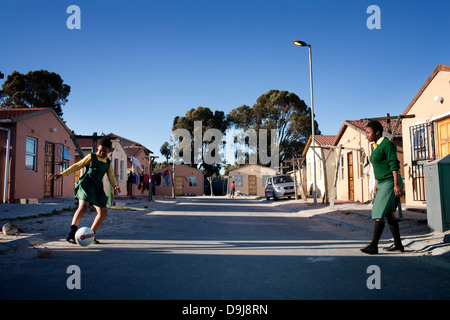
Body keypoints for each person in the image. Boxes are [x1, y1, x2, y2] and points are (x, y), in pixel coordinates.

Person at [50, 138, 120, 244]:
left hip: (97, 187)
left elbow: (111, 175)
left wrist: (115, 185)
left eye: (105, 152)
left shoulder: (108, 161)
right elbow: (78, 165)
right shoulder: (91, 156)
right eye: (100, 150)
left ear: (108, 151)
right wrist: (62, 174)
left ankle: (90, 235)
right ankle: (71, 234)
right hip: (86, 184)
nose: (102, 153)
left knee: (103, 212)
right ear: (97, 148)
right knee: (83, 206)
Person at [361, 120, 404, 254]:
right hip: (383, 182)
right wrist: (377, 184)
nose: (366, 135)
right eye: (366, 133)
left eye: (369, 132)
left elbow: (394, 165)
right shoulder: (375, 146)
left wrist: (397, 185)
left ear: (377, 132)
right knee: (389, 214)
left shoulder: (387, 144)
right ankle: (398, 245)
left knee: (378, 211)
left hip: (391, 182)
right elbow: (380, 167)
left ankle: (374, 246)